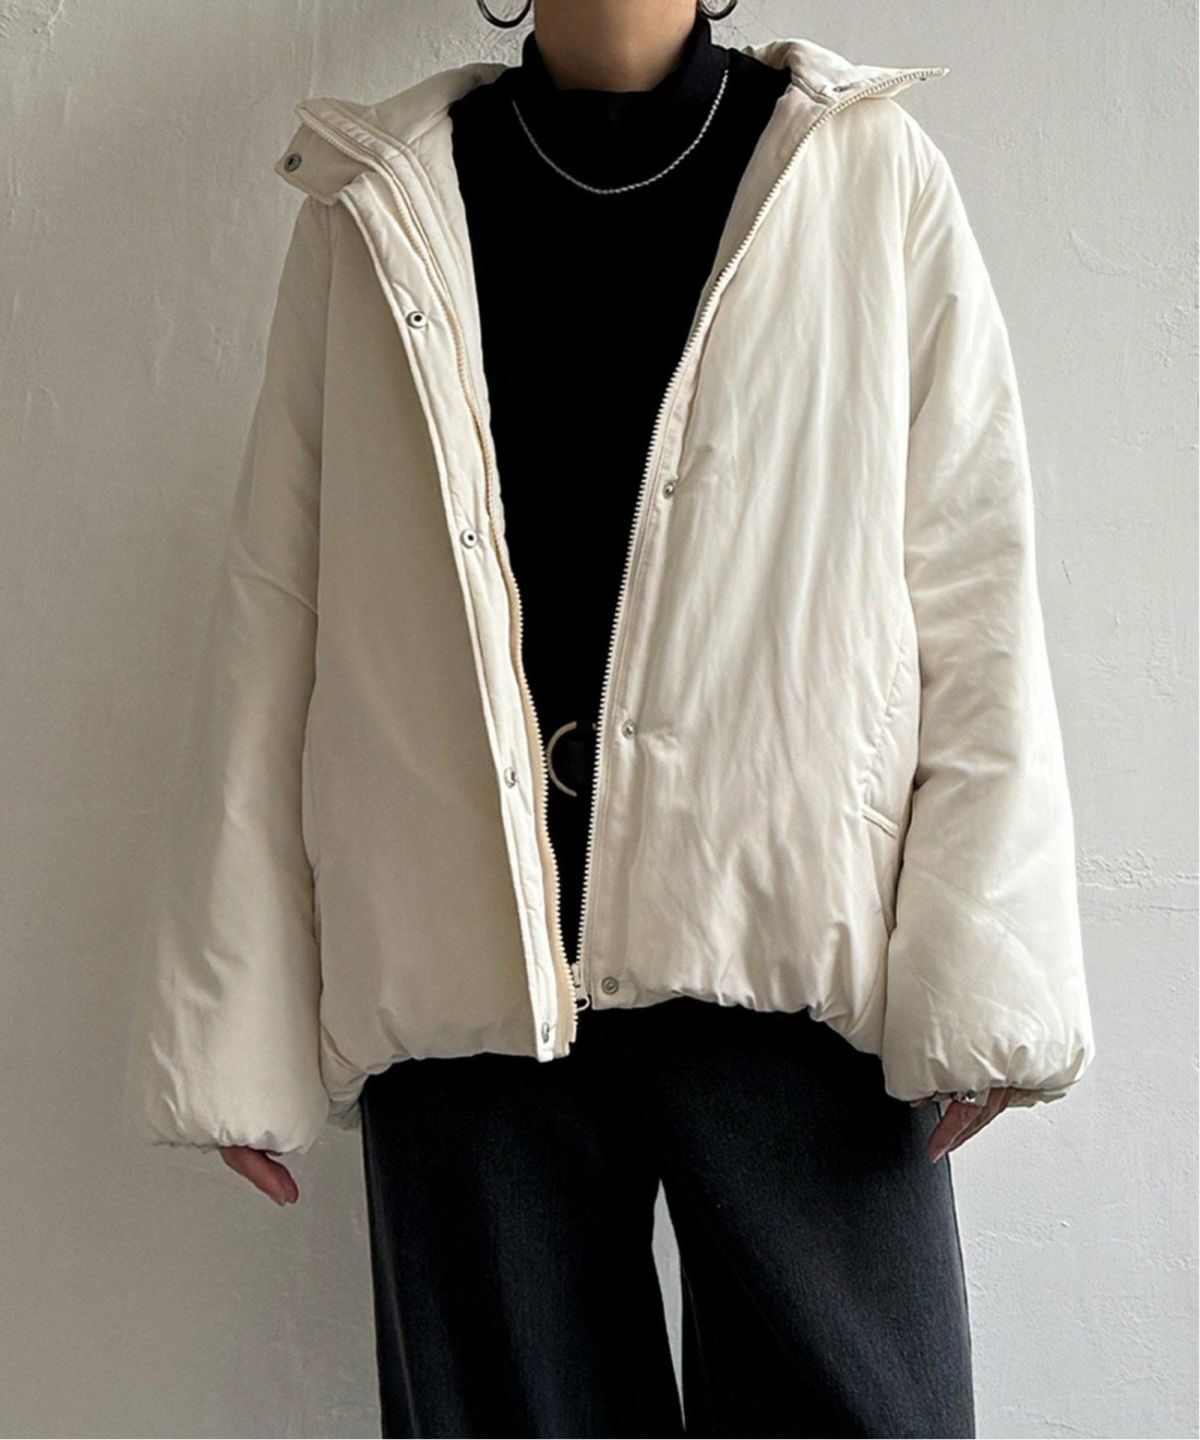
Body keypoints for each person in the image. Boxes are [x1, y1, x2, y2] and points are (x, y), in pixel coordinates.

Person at [132, 1, 1096, 1434]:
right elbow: (282, 604)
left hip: (790, 959)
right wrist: (236, 1025)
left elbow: (973, 583)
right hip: (465, 979)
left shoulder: (862, 171)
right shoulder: (380, 199)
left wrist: (990, 982)